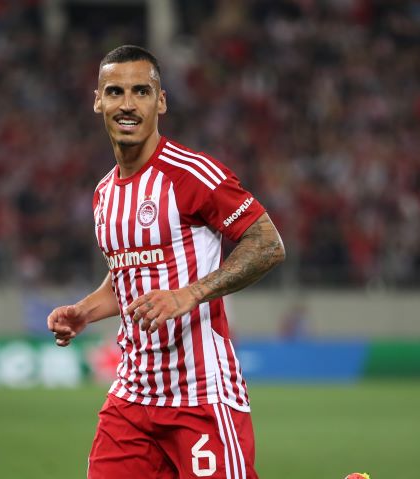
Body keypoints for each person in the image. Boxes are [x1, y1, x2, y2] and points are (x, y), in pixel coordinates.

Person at [47, 45, 286, 479]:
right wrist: (85, 311)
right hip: (132, 399)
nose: (127, 104)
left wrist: (190, 294)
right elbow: (128, 275)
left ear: (161, 102)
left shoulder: (192, 174)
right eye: (115, 92)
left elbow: (267, 243)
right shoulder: (104, 194)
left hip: (200, 395)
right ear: (98, 101)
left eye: (141, 91)